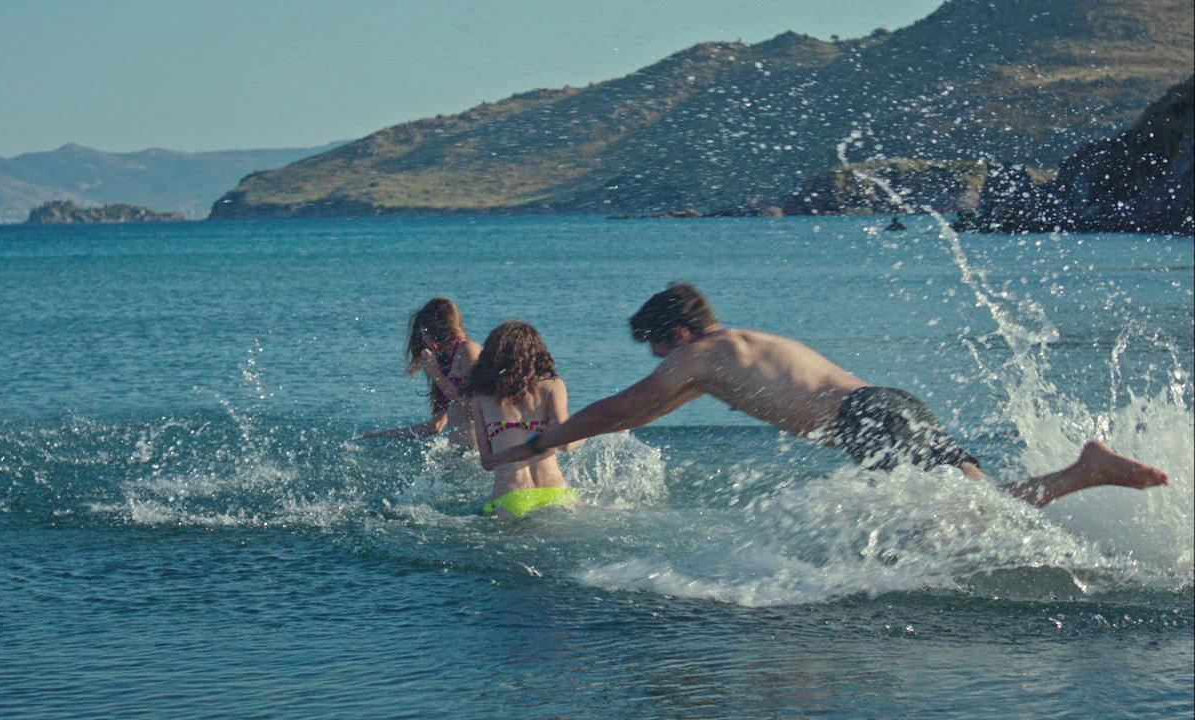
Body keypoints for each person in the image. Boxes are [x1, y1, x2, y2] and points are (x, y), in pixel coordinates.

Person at [491, 283, 1168, 507]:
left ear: (677, 334)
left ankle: (1087, 471)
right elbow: (641, 413)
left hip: (868, 420)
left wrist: (541, 440)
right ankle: (1087, 471)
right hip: (891, 404)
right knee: (988, 505)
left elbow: (621, 406)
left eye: (657, 349)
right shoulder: (732, 354)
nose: (660, 363)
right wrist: (564, 440)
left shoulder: (701, 354)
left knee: (974, 516)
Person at [463, 321, 584, 519]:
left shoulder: (480, 397)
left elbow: (487, 463)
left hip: (510, 498)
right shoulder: (552, 386)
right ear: (536, 353)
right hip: (556, 493)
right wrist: (589, 431)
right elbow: (566, 443)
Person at [363, 297, 481, 448]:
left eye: (422, 333)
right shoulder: (445, 364)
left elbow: (475, 406)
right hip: (459, 453)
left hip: (478, 456)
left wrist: (436, 374)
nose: (421, 339)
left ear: (430, 331)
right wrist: (380, 435)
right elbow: (435, 426)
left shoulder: (468, 351)